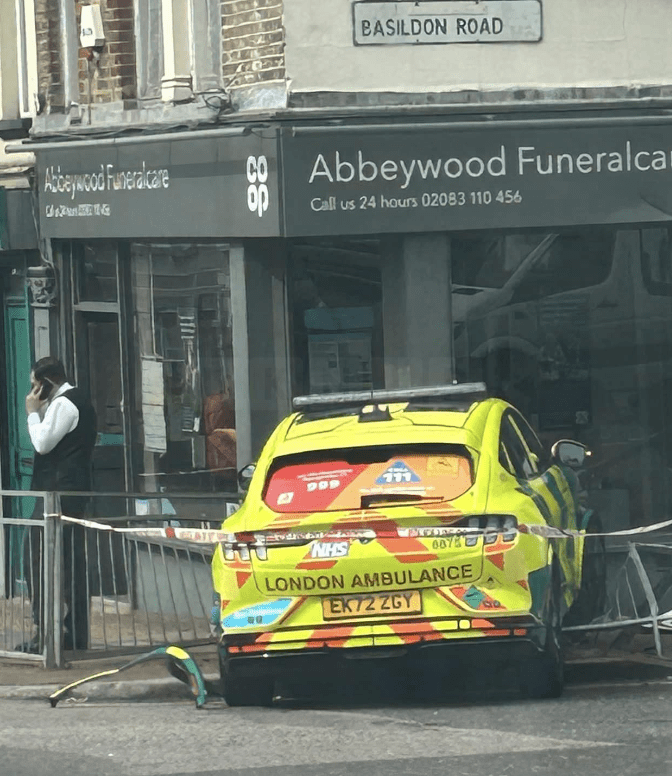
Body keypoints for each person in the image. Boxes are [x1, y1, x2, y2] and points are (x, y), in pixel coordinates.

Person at [16, 357, 97, 653]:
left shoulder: (65, 404)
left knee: (40, 562)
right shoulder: (72, 402)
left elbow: (42, 443)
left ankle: (50, 636)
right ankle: (67, 634)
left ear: (48, 382)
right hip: (66, 494)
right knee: (67, 566)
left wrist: (32, 414)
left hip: (58, 496)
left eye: (36, 385)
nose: (33, 392)